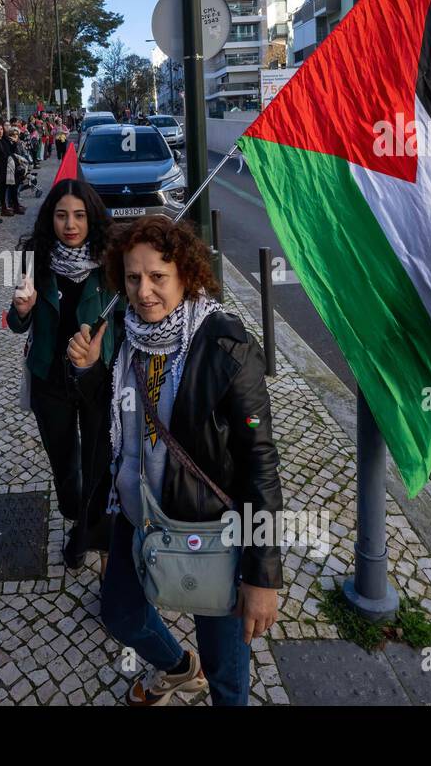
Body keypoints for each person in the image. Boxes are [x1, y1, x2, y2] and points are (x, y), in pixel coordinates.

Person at [68, 214, 282, 707]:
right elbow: (112, 421)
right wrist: (86, 372)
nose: (144, 292)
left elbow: (259, 461)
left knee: (226, 665)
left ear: (186, 274)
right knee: (121, 615)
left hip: (207, 528)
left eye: (158, 277)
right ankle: (181, 668)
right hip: (135, 514)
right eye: (133, 277)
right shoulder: (123, 333)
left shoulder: (226, 344)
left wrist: (261, 574)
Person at [8, 178, 119, 570]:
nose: (70, 224)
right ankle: (79, 521)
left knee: (99, 463)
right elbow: (18, 322)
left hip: (98, 380)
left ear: (92, 219)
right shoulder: (34, 259)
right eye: (61, 215)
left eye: (79, 215)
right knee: (65, 466)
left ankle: (98, 543)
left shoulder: (111, 262)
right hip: (49, 380)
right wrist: (21, 311)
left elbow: (125, 323)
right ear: (49, 219)